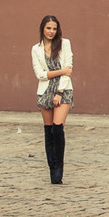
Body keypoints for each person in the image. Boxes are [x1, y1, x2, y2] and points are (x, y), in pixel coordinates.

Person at [31, 15, 73, 184]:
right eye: (48, 28)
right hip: (44, 91)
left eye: (54, 28)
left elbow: (68, 68)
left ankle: (59, 171)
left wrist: (59, 92)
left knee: (57, 128)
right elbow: (39, 74)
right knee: (48, 131)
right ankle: (52, 172)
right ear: (42, 28)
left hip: (63, 91)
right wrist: (60, 71)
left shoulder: (65, 43)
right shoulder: (36, 49)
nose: (51, 31)